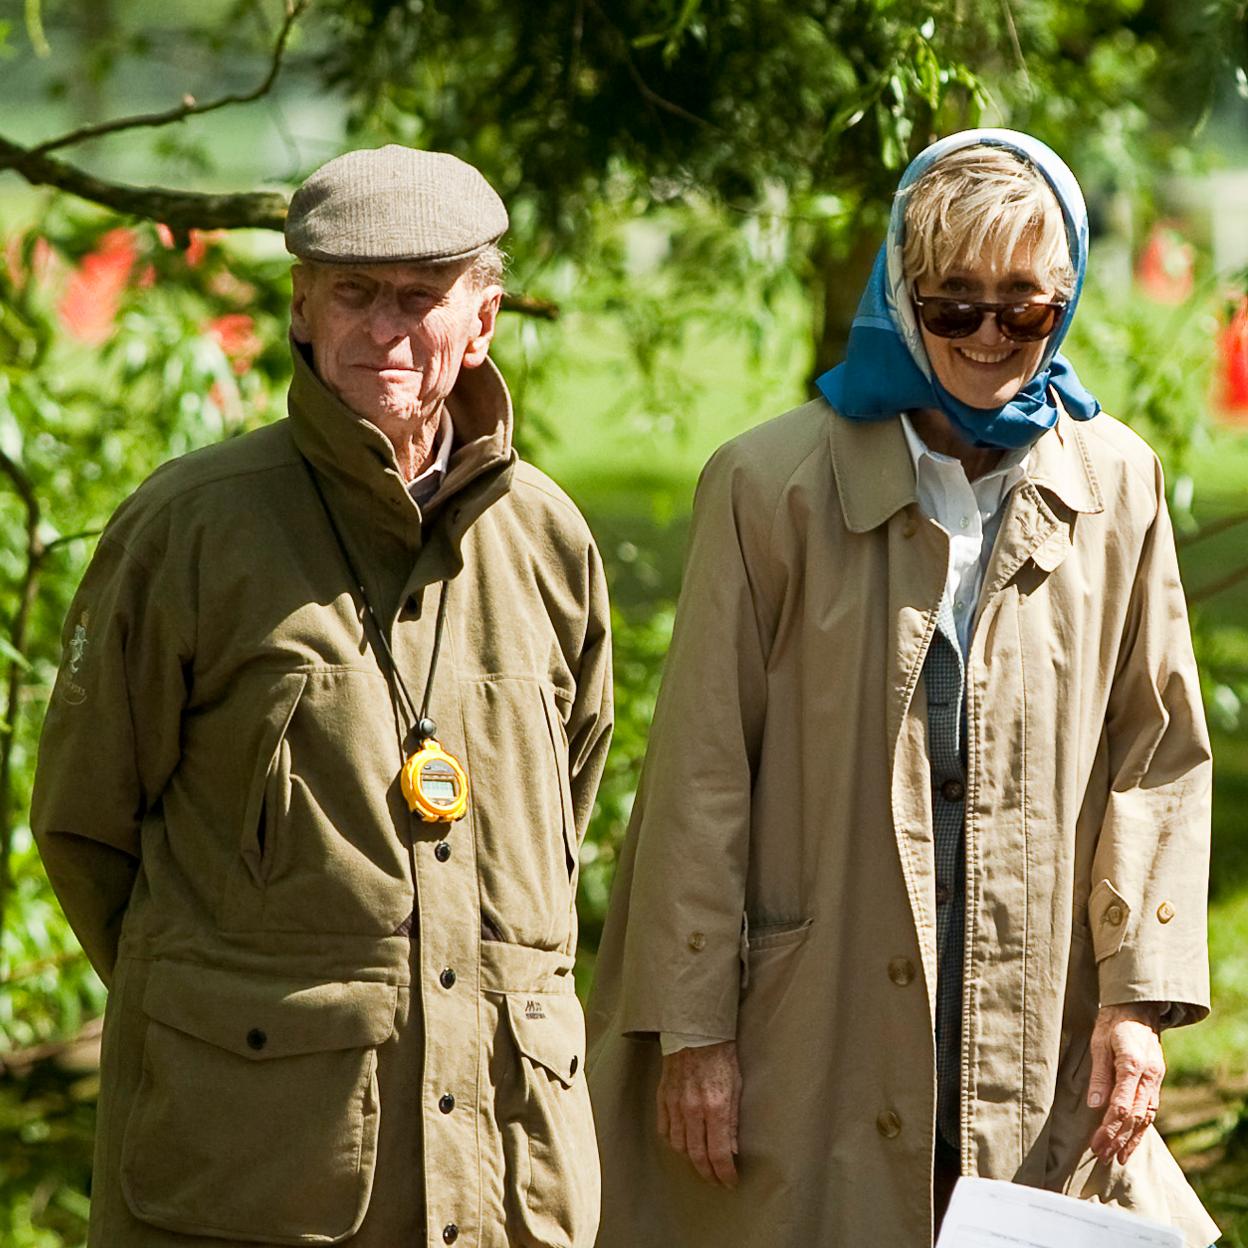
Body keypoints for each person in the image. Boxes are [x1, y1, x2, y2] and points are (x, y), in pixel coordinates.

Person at [587, 129, 1219, 1248]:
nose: (989, 338)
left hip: (1037, 1004)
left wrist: (1135, 998)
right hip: (813, 1011)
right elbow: (699, 770)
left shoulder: (1117, 480)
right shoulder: (768, 482)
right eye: (953, 305)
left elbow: (1155, 749)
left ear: (1064, 302)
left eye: (1024, 309)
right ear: (899, 290)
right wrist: (693, 1035)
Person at [32, 145, 612, 1248]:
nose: (384, 328)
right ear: (302, 306)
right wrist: (238, 1016)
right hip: (252, 1183)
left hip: (501, 1183)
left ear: (481, 320)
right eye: (352, 292)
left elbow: (565, 815)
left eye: (420, 296)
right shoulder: (192, 528)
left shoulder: (548, 539)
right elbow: (84, 824)